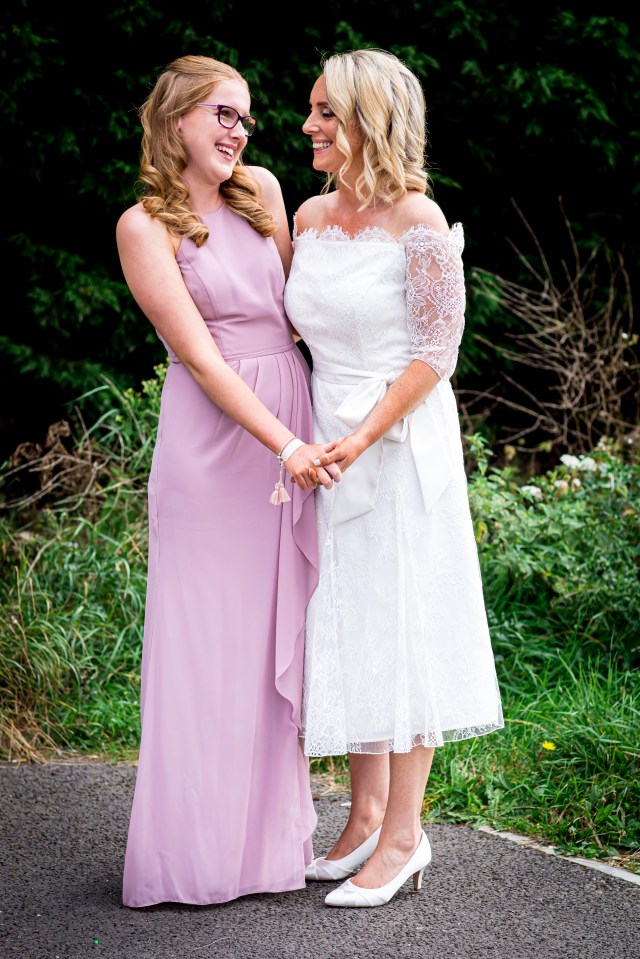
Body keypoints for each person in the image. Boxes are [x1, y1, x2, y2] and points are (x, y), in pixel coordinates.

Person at [115, 54, 341, 908]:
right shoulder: (144, 225)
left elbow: (303, 314)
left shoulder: (265, 193)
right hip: (219, 447)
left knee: (264, 647)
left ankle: (265, 854)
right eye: (221, 112)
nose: (236, 131)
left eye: (245, 118)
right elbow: (204, 361)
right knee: (205, 643)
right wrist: (286, 442)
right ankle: (191, 857)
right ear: (174, 115)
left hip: (292, 420)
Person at [283, 48, 504, 908]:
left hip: (396, 439)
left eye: (324, 114)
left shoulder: (419, 218)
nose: (308, 127)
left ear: (369, 120)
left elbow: (435, 354)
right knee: (343, 617)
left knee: (401, 619)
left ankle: (407, 834)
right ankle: (363, 810)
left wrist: (363, 436)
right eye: (310, 112)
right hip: (323, 435)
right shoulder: (304, 215)